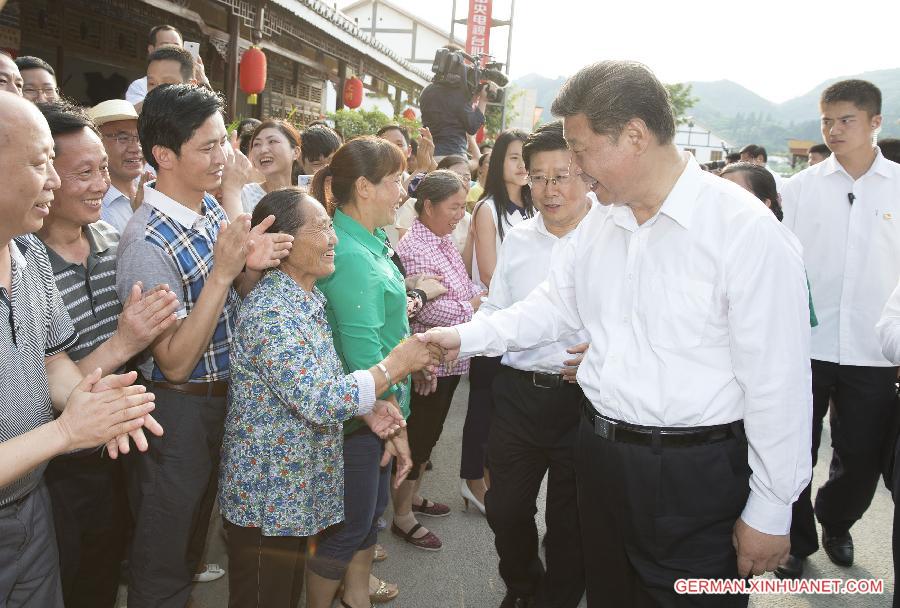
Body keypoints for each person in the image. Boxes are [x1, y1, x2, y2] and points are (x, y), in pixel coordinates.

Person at [420, 60, 813, 607]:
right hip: (598, 456)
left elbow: (779, 382)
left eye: (580, 152)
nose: (574, 171)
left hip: (691, 477)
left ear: (634, 135)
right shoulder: (603, 223)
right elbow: (550, 307)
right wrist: (462, 337)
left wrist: (773, 506)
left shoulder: (743, 232)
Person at [116, 83, 292, 608]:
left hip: (217, 401)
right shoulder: (147, 242)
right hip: (177, 409)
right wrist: (224, 272)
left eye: (224, 142)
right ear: (164, 156)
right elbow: (171, 362)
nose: (225, 158)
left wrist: (246, 270)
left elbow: (231, 295)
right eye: (208, 147)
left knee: (193, 539)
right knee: (163, 552)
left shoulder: (209, 212)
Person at [220, 188, 440, 607]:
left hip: (295, 489)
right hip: (270, 497)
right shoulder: (270, 311)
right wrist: (394, 366)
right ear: (283, 241)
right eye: (322, 227)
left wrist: (371, 406)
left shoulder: (306, 297)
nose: (334, 237)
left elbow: (322, 378)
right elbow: (317, 398)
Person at [0, 90, 161, 608]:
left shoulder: (27, 254)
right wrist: (69, 431)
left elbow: (50, 361)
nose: (52, 180)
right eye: (40, 163)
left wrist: (96, 403)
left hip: (31, 504)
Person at [34, 99, 181, 608]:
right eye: (83, 173)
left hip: (121, 441)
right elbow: (44, 380)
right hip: (55, 464)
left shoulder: (115, 239)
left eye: (102, 169)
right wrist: (124, 342)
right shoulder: (26, 264)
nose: (101, 184)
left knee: (109, 562)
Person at [780, 79, 900, 579]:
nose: (833, 130)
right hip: (805, 343)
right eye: (827, 120)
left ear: (875, 122)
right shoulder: (800, 189)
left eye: (846, 120)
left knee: (862, 454)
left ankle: (835, 518)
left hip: (874, 347)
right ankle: (796, 539)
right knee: (793, 446)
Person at [481, 120, 591, 608]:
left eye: (561, 175)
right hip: (519, 395)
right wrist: (460, 337)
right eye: (538, 177)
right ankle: (523, 585)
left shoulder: (608, 237)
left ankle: (557, 599)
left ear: (584, 174)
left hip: (585, 402)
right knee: (505, 508)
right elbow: (496, 308)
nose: (549, 189)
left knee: (573, 523)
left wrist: (604, 354)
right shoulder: (520, 239)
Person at [306, 137, 413, 608]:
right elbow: (361, 350)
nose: (403, 191)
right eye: (396, 181)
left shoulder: (366, 241)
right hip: (362, 414)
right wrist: (389, 412)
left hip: (378, 406)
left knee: (369, 514)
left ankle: (355, 595)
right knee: (350, 525)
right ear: (365, 188)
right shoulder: (349, 253)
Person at [391, 170, 481, 551]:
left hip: (450, 360)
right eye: (454, 206)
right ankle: (401, 515)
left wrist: (468, 302)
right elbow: (432, 312)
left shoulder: (442, 241)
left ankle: (411, 499)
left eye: (463, 206)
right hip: (429, 361)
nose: (460, 214)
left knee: (430, 437)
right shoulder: (414, 248)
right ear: (428, 206)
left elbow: (465, 288)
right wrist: (471, 305)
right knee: (420, 436)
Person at [461, 129, 533, 511]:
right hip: (496, 320)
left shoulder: (537, 207)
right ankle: (473, 480)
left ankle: (492, 478)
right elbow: (488, 272)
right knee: (483, 406)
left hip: (527, 324)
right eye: (515, 157)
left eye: (527, 158)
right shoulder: (488, 208)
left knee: (507, 411)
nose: (523, 165)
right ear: (499, 162)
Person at [394, 156, 472, 254]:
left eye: (467, 178)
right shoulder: (413, 207)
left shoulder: (468, 220)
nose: (462, 182)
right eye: (456, 176)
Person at [87, 99, 144, 233]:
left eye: (140, 138)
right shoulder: (93, 204)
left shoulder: (152, 188)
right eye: (123, 138)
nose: (136, 148)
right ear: (96, 142)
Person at [419, 60, 489, 158]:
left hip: (429, 155)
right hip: (453, 155)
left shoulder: (427, 90)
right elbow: (472, 126)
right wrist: (483, 100)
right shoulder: (459, 93)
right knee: (476, 163)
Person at [125, 25, 207, 105]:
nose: (172, 49)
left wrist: (204, 82)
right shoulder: (139, 86)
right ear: (151, 49)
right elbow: (134, 113)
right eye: (165, 44)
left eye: (176, 45)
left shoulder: (191, 85)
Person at [241, 119, 302, 213]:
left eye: (272, 141)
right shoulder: (245, 194)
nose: (263, 150)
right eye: (257, 144)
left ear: (296, 152)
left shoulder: (305, 197)